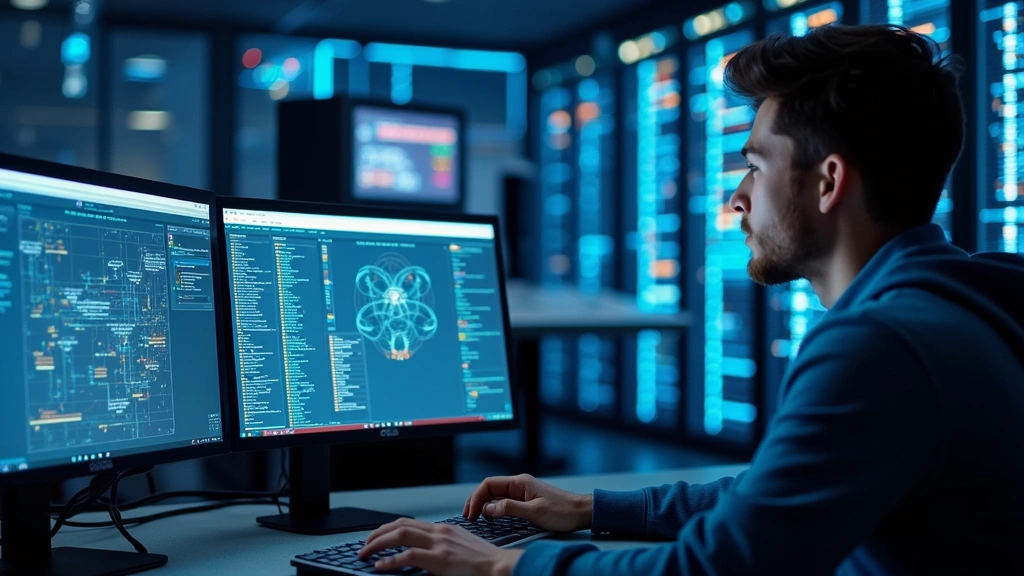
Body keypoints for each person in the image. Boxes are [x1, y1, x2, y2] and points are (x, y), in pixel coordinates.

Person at [359, 24, 1024, 575]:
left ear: (827, 182)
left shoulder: (881, 346)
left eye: (756, 168)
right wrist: (593, 509)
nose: (737, 198)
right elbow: (774, 496)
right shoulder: (957, 305)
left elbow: (719, 568)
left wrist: (502, 567)